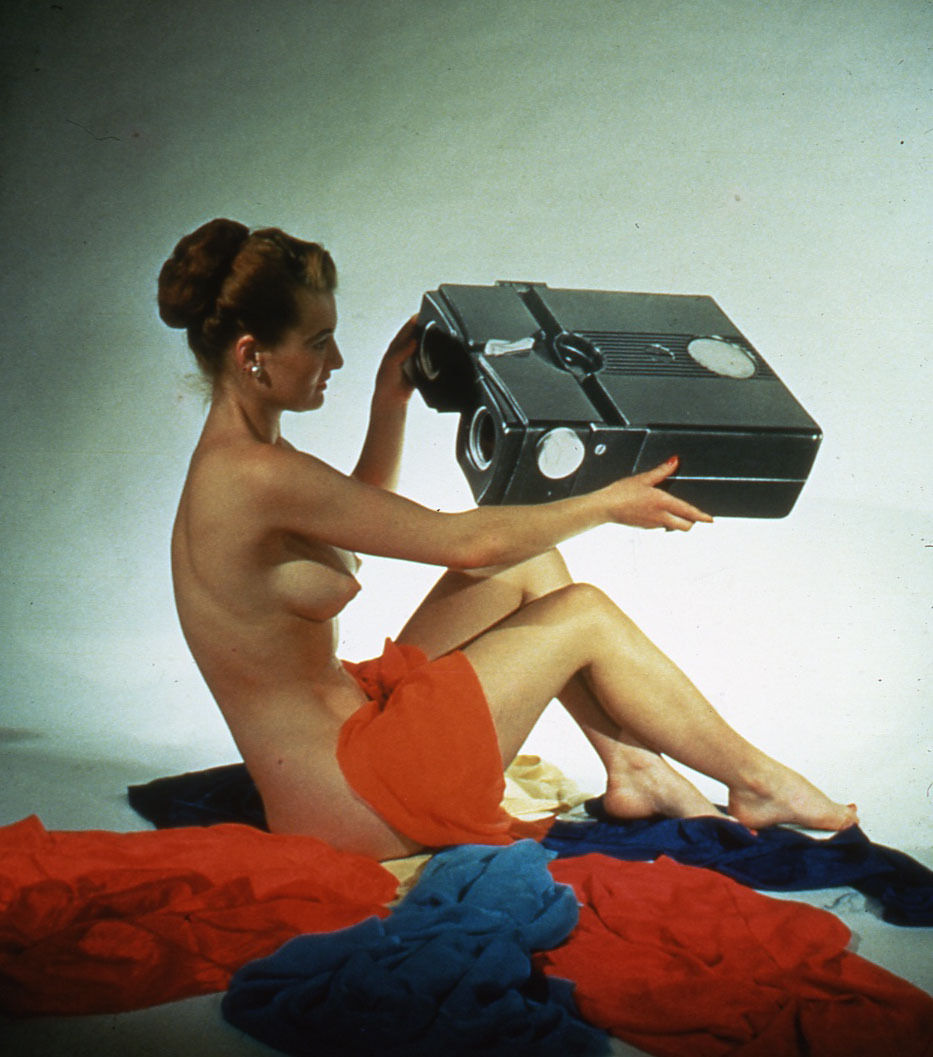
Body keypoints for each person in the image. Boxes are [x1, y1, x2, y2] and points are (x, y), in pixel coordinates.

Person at [158, 218, 857, 860]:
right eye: (317, 342)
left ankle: (633, 767)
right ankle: (757, 781)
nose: (335, 357)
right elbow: (461, 543)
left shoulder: (247, 461)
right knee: (583, 613)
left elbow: (359, 521)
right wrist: (606, 503)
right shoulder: (255, 475)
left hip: (347, 745)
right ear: (252, 355)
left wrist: (389, 401)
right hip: (353, 802)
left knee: (532, 561)